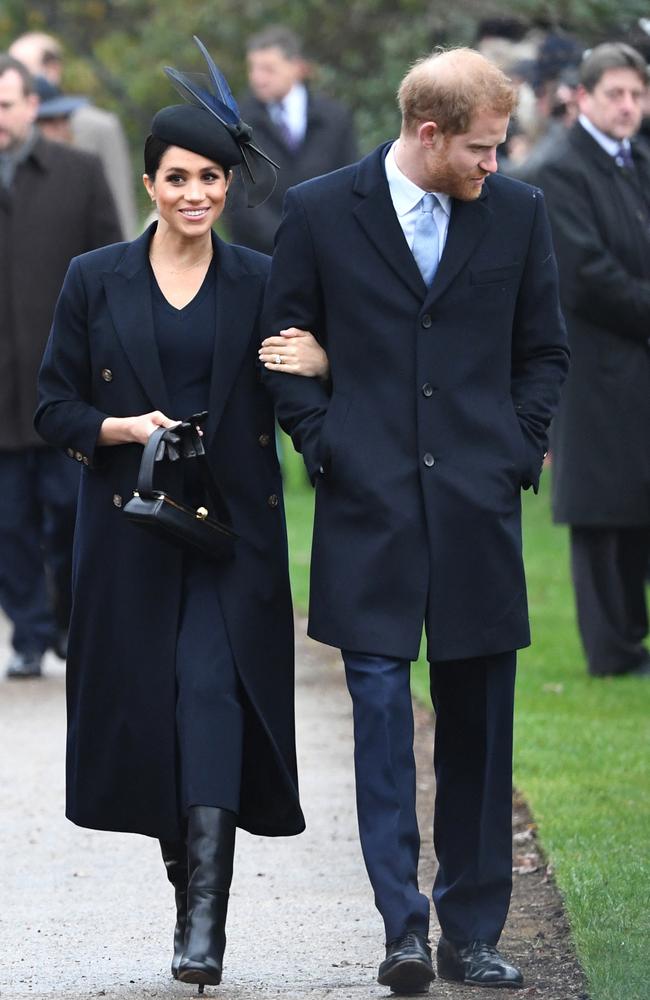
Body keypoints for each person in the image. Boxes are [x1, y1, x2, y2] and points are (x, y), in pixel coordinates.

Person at [261, 47, 569, 993]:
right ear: (428, 133)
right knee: (383, 720)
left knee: (479, 729)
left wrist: (513, 453)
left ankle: (470, 934)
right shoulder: (318, 212)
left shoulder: (518, 214)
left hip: (479, 513)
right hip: (369, 512)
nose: (497, 162)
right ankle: (401, 928)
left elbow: (543, 352)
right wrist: (332, 446)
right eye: (482, 146)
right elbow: (282, 349)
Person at [35, 39, 326, 990]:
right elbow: (53, 406)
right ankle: (185, 895)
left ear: (228, 186)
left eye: (211, 177)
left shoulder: (259, 277)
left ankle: (204, 925)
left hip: (231, 534)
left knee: (209, 698)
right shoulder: (93, 278)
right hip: (127, 528)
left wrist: (324, 370)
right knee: (155, 715)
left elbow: (298, 389)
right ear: (151, 182)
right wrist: (119, 425)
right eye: (177, 177)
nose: (195, 193)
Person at [0, 54, 122, 679]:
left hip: (64, 389)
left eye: (4, 104)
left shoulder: (79, 173)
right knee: (7, 525)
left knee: (69, 513)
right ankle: (26, 633)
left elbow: (111, 276)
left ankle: (71, 626)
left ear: (30, 106)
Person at [535, 43, 650, 678]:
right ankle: (612, 652)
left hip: (636, 360)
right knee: (602, 513)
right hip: (596, 366)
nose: (628, 106)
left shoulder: (638, 159)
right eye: (615, 94)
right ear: (583, 98)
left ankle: (632, 639)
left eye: (637, 94)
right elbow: (586, 276)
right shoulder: (560, 167)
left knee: (635, 502)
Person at [224, 25, 358, 255]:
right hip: (261, 258)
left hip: (328, 252)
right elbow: (236, 195)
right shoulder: (236, 122)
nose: (257, 78)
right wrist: (287, 238)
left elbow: (350, 182)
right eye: (253, 68)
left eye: (268, 69)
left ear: (296, 67)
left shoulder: (335, 118)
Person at [10, 32, 138, 239]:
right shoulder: (10, 132)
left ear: (53, 68)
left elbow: (119, 204)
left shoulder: (98, 127)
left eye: (22, 66)